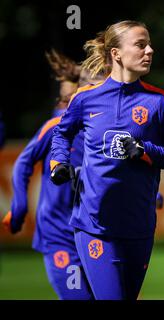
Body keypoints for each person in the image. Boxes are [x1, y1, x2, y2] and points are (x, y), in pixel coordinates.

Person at [50, 20, 164, 300]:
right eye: (140, 44)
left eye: (149, 44)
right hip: (93, 225)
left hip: (139, 226)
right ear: (116, 54)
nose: (150, 50)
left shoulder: (160, 102)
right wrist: (59, 163)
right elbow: (61, 134)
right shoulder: (85, 99)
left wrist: (145, 150)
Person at [2, 49, 94, 300]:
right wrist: (20, 205)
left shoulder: (103, 130)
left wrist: (151, 195)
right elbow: (24, 162)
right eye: (62, 102)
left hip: (97, 235)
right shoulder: (56, 129)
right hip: (60, 236)